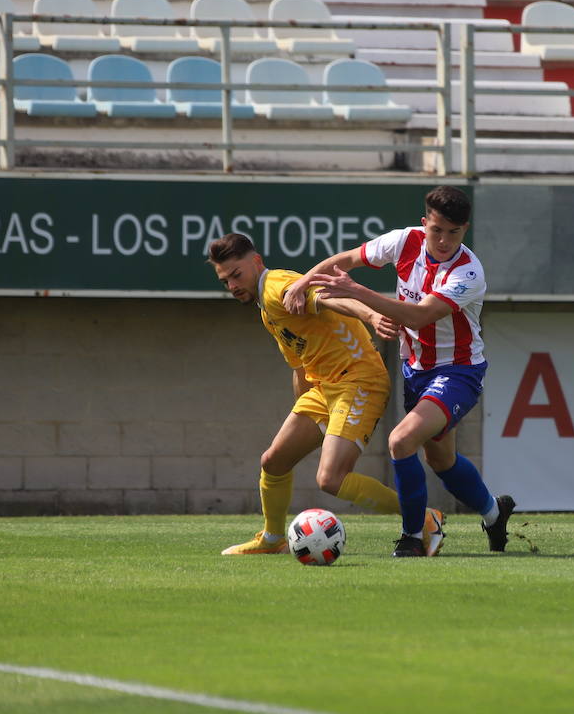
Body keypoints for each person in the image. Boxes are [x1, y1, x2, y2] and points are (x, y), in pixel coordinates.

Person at [285, 186, 515, 558]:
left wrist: (358, 293)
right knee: (441, 461)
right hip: (416, 370)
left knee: (400, 440)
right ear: (425, 224)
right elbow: (344, 259)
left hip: (457, 372)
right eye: (437, 230)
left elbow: (419, 314)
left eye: (453, 233)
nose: (443, 240)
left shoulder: (468, 272)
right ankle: (494, 512)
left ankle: (414, 535)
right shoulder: (403, 241)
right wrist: (302, 281)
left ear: (465, 230)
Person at [206, 233, 445, 557]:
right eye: (226, 280)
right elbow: (300, 365)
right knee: (273, 462)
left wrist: (371, 315)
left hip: (359, 381)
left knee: (330, 479)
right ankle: (274, 537)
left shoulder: (277, 287)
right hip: (324, 388)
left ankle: (425, 518)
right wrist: (302, 411)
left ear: (257, 262)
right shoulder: (267, 309)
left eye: (237, 274)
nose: (233, 285)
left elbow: (330, 296)